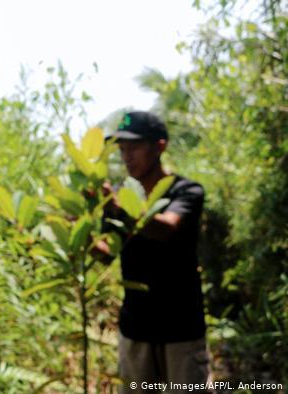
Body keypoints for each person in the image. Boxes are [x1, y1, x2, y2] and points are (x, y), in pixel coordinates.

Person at [95, 111, 212, 393]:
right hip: (136, 331)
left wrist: (116, 207)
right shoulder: (122, 201)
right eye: (122, 149)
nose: (126, 156)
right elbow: (106, 253)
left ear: (159, 146)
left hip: (181, 331)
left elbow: (165, 228)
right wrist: (79, 231)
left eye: (134, 147)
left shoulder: (187, 192)